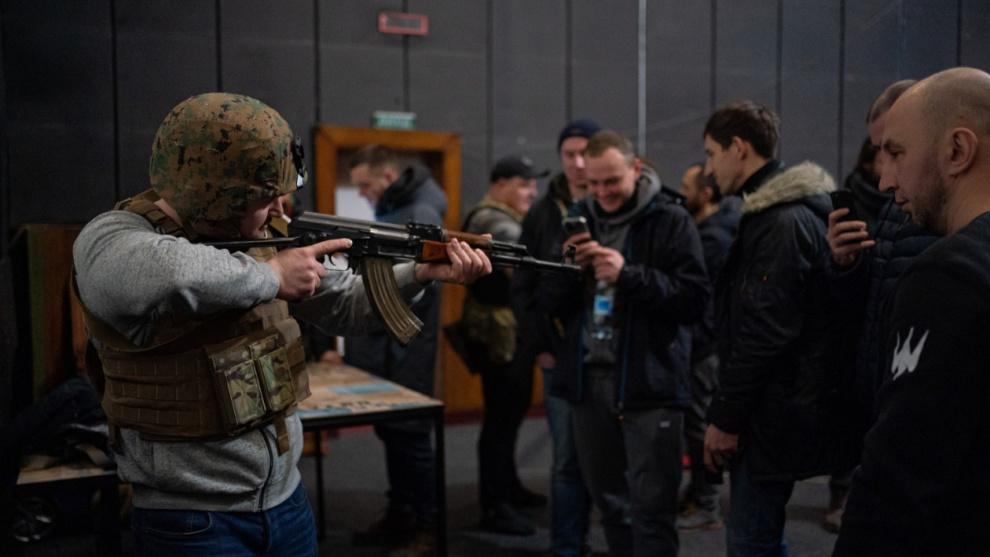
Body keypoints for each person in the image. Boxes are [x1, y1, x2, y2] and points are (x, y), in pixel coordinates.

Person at [71, 92, 491, 557]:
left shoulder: (263, 237)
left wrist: (421, 273)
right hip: (193, 518)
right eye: (265, 199)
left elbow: (348, 304)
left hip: (286, 502)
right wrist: (272, 276)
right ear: (216, 197)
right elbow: (170, 273)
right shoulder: (113, 239)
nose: (279, 211)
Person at [832, 67, 990, 557]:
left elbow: (897, 483)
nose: (884, 179)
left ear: (957, 151)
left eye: (896, 153)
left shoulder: (948, 277)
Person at [544, 130, 710, 557]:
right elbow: (549, 302)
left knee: (653, 509)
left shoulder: (672, 219)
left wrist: (628, 274)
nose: (602, 192)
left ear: (635, 169)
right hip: (588, 379)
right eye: (593, 184)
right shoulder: (578, 218)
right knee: (610, 505)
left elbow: (695, 301)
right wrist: (568, 267)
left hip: (650, 381)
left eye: (612, 181)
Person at [700, 100, 842, 557]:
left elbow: (765, 331)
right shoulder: (778, 213)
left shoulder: (779, 220)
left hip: (769, 410)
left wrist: (726, 417)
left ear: (738, 147)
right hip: (775, 404)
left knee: (752, 540)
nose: (707, 169)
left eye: (711, 153)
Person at [819, 80, 940, 533]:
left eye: (895, 151)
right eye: (878, 153)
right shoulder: (896, 204)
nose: (883, 175)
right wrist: (845, 264)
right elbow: (872, 300)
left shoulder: (945, 216)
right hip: (881, 401)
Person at [343, 145, 448, 557]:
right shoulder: (396, 208)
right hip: (388, 346)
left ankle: (429, 527)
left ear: (388, 177)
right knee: (394, 434)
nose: (362, 193)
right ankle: (401, 513)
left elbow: (414, 291)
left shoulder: (420, 213)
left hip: (404, 347)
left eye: (365, 185)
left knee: (411, 438)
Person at [511, 118, 600, 557]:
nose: (578, 163)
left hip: (607, 352)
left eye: (586, 153)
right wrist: (541, 345)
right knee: (566, 457)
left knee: (607, 457)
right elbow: (523, 286)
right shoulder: (544, 211)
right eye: (569, 154)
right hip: (559, 351)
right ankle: (566, 546)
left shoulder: (612, 203)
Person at [458, 154, 547, 535]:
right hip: (499, 339)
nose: (532, 192)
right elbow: (521, 266)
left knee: (509, 416)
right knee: (501, 420)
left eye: (533, 184)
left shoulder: (498, 216)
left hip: (505, 335)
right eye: (524, 184)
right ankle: (495, 505)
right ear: (500, 184)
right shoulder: (494, 220)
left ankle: (507, 487)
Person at [676, 163, 740, 532]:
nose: (681, 193)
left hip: (704, 346)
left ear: (707, 193)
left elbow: (702, 299)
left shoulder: (712, 239)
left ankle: (708, 504)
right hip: (705, 343)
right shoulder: (710, 231)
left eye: (688, 187)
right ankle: (699, 493)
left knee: (700, 427)